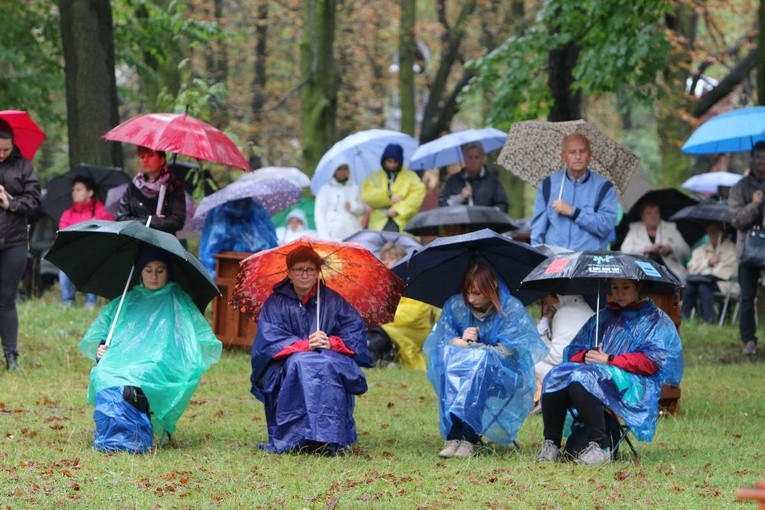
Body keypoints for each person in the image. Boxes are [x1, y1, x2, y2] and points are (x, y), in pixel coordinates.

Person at [78, 248, 222, 453]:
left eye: (160, 270)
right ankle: (112, 431)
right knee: (104, 372)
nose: (154, 276)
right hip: (122, 358)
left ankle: (136, 433)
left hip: (160, 361)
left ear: (168, 273)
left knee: (137, 374)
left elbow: (188, 339)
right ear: (140, 273)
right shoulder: (126, 300)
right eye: (148, 270)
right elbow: (108, 331)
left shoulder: (177, 300)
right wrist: (101, 349)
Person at [537, 278, 683, 466]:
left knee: (583, 378)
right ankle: (552, 444)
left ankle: (600, 445)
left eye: (625, 287)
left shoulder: (654, 320)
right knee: (556, 375)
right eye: (614, 287)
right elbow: (573, 351)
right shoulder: (602, 317)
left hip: (633, 382)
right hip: (596, 374)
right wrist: (588, 355)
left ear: (638, 287)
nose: (619, 293)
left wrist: (610, 359)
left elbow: (651, 362)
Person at [250, 246, 373, 454]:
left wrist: (331, 343)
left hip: (329, 357)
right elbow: (269, 341)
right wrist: (304, 345)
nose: (305, 275)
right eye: (299, 270)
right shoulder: (275, 303)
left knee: (325, 362)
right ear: (289, 272)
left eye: (310, 269)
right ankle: (297, 437)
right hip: (286, 364)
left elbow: (354, 332)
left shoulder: (333, 300)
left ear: (318, 272)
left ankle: (328, 439)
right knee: (302, 362)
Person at [424, 263, 547, 459]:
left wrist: (473, 348)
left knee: (479, 366)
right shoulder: (457, 305)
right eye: (467, 293)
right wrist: (460, 340)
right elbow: (440, 340)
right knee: (453, 361)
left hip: (504, 376)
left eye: (477, 293)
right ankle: (454, 436)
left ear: (492, 288)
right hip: (462, 372)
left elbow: (506, 353)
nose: (471, 299)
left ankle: (468, 437)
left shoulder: (510, 309)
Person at [0, 121, 41, 371]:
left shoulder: (24, 167)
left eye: (5, 149)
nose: (2, 154)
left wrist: (10, 202)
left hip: (14, 241)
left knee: (6, 298)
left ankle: (11, 356)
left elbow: (34, 202)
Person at [530, 134, 618, 250]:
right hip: (556, 258)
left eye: (582, 151)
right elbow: (537, 230)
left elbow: (605, 226)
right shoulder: (549, 184)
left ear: (590, 155)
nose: (578, 157)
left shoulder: (604, 187)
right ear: (563, 156)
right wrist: (537, 255)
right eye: (572, 152)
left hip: (588, 259)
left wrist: (573, 211)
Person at [367, 242, 440, 370]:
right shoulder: (384, 286)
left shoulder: (415, 284)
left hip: (409, 331)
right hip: (389, 327)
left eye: (391, 258)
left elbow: (413, 314)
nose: (386, 262)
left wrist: (380, 318)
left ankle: (378, 356)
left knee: (378, 334)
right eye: (383, 259)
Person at [729, 141, 765, 356]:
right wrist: (753, 205)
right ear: (752, 159)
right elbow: (735, 220)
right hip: (748, 252)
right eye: (759, 158)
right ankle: (748, 340)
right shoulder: (740, 187)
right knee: (747, 297)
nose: (762, 162)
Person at [58, 176, 114, 308]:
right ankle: (67, 302)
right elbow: (63, 234)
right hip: (73, 253)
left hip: (96, 253)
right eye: (73, 189)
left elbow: (111, 234)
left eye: (79, 189)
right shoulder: (67, 214)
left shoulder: (102, 212)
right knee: (64, 267)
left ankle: (91, 303)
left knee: (91, 261)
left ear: (90, 192)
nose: (74, 192)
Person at [198, 198, 278, 278]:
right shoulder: (220, 212)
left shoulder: (256, 211)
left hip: (248, 268)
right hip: (228, 268)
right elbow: (212, 246)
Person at [116, 146, 186, 235]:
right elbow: (121, 218)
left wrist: (158, 223)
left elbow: (178, 221)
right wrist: (149, 221)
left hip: (163, 244)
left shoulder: (174, 187)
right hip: (138, 242)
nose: (145, 160)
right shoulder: (132, 188)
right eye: (142, 157)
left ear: (162, 160)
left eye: (150, 155)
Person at [681, 222, 739, 323]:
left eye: (716, 231)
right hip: (701, 282)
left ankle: (708, 320)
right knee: (689, 285)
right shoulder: (701, 249)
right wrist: (708, 263)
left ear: (724, 232)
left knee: (704, 286)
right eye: (710, 231)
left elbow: (728, 272)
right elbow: (691, 268)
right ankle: (684, 317)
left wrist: (707, 269)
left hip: (726, 285)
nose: (713, 233)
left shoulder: (733, 250)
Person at [361, 143, 425, 232]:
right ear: (384, 161)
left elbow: (417, 197)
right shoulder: (373, 177)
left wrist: (398, 209)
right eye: (389, 161)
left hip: (403, 224)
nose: (392, 165)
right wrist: (388, 198)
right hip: (378, 224)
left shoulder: (411, 177)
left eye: (395, 162)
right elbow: (367, 196)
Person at [620, 202, 690, 283]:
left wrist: (671, 248)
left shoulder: (670, 228)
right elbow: (624, 250)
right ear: (642, 215)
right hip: (642, 272)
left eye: (656, 212)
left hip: (669, 271)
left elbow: (686, 251)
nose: (653, 216)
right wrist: (645, 249)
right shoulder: (634, 229)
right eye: (649, 213)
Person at [535, 294, 594, 383]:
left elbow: (557, 357)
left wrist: (542, 337)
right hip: (586, 371)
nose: (546, 303)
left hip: (573, 374)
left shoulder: (565, 312)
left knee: (531, 364)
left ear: (555, 295)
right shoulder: (586, 308)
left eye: (546, 298)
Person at [438, 142, 509, 212]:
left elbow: (502, 204)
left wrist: (489, 214)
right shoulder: (454, 180)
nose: (472, 161)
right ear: (464, 159)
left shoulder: (492, 180)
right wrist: (460, 197)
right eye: (469, 157)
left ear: (483, 159)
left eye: (476, 157)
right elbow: (443, 204)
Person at [314, 162, 364, 241]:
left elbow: (362, 209)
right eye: (339, 169)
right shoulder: (325, 190)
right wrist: (324, 238)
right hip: (333, 235)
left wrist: (353, 206)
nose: (342, 172)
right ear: (334, 171)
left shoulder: (354, 188)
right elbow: (319, 215)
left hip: (352, 232)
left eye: (345, 169)